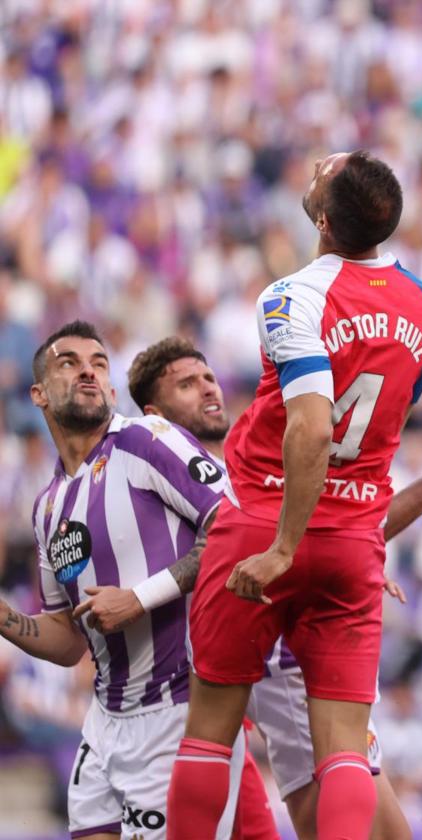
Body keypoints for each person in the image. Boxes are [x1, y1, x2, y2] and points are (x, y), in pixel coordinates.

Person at [166, 150, 422, 840]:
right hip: (355, 539)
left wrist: (285, 545)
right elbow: (389, 418)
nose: (317, 167)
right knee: (346, 747)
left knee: (210, 731)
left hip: (265, 520)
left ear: (322, 219)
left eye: (321, 175)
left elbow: (314, 426)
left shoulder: (294, 295)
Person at [127, 336, 422, 840]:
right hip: (260, 658)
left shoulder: (257, 456)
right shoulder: (159, 473)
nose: (207, 390)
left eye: (207, 377)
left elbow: (345, 534)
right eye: (186, 384)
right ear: (155, 412)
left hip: (280, 653)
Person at [0, 321, 252, 840]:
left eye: (98, 362)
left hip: (178, 711)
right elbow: (69, 639)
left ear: (112, 391)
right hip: (105, 719)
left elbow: (233, 528)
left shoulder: (144, 440)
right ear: (39, 393)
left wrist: (138, 599)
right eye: (68, 362)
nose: (87, 370)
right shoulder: (48, 507)